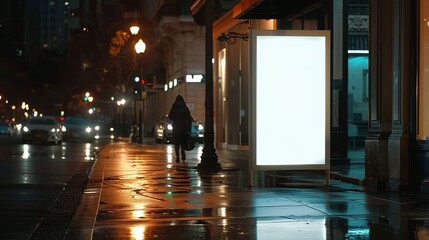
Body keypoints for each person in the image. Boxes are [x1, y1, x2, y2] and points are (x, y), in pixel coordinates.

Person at [168, 95, 192, 162]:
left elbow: (170, 117)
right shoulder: (185, 108)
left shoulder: (173, 108)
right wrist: (189, 129)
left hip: (176, 127)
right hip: (183, 126)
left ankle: (177, 157)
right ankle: (183, 150)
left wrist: (175, 118)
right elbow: (189, 118)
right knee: (183, 141)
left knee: (176, 143)